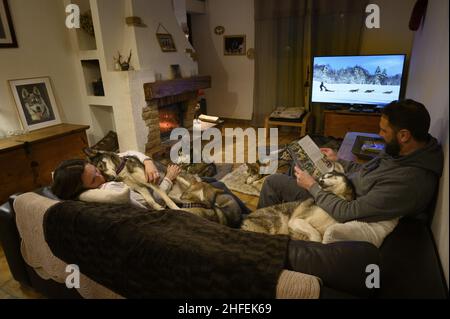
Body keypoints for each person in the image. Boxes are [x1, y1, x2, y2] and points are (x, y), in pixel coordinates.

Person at [257, 99, 444, 223]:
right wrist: (339, 160)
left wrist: (312, 186)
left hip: (339, 200)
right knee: (298, 161)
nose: (380, 135)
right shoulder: (404, 152)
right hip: (342, 185)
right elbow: (369, 172)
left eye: (384, 131)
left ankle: (256, 233)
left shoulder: (408, 182)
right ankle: (281, 214)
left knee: (273, 183)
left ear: (404, 135)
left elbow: (347, 212)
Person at [51, 150, 250, 221]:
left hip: (164, 183)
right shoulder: (110, 193)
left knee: (215, 183)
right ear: (84, 189)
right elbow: (151, 200)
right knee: (218, 186)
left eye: (96, 169)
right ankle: (247, 216)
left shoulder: (101, 176)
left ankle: (248, 213)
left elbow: (126, 153)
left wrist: (146, 160)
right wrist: (169, 178)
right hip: (170, 192)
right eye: (95, 178)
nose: (102, 174)